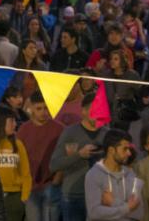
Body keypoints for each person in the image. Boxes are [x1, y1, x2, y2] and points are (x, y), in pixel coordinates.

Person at [50, 92, 108, 221]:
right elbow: (54, 164)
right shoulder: (70, 133)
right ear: (83, 111)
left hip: (100, 197)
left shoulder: (107, 134)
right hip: (73, 196)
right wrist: (79, 155)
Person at [17, 91, 65, 221]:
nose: (43, 112)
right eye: (39, 108)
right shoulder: (23, 130)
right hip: (30, 185)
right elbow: (18, 158)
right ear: (31, 108)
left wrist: (57, 180)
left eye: (46, 108)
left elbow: (64, 157)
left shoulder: (59, 129)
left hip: (51, 184)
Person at [0, 106, 32, 220]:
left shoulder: (18, 144)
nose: (15, 125)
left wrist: (24, 198)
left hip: (13, 199)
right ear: (0, 122)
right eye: (11, 121)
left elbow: (26, 174)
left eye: (15, 121)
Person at [84, 129, 144, 220]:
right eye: (125, 149)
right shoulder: (93, 175)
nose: (129, 153)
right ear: (111, 150)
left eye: (129, 149)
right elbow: (94, 212)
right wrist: (127, 208)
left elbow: (138, 213)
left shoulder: (130, 174)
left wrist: (113, 202)